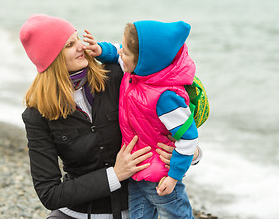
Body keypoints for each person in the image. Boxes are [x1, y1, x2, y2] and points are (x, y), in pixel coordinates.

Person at [19, 14, 175, 219]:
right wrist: (115, 175)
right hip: (76, 214)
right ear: (52, 57)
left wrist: (189, 154)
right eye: (70, 44)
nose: (81, 46)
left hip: (138, 210)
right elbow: (49, 194)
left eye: (78, 39)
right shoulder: (37, 114)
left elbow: (174, 113)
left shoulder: (117, 77)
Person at [83, 20, 199, 219]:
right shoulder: (136, 72)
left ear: (143, 61)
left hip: (160, 177)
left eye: (126, 52)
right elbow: (116, 51)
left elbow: (188, 138)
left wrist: (174, 176)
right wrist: (99, 50)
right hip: (137, 172)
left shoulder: (166, 97)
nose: (121, 53)